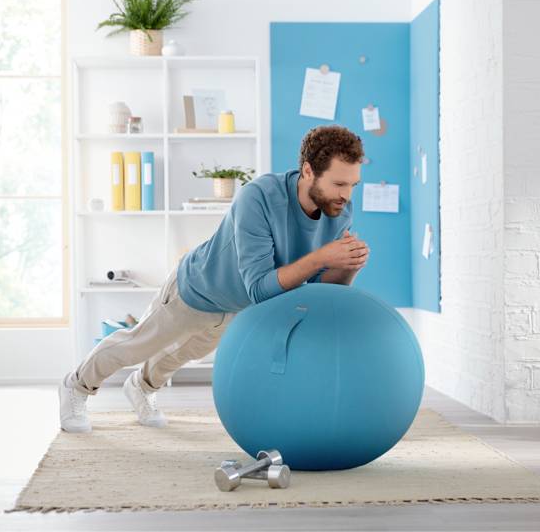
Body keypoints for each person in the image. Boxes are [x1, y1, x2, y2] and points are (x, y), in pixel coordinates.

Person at [59, 125, 370, 433]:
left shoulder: (338, 210)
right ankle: (76, 386)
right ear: (308, 171)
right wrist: (323, 257)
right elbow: (260, 287)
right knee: (138, 345)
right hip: (197, 290)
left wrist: (347, 265)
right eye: (339, 183)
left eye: (353, 184)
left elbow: (315, 291)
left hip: (235, 307)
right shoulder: (258, 197)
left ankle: (140, 387)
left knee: (182, 355)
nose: (346, 195)